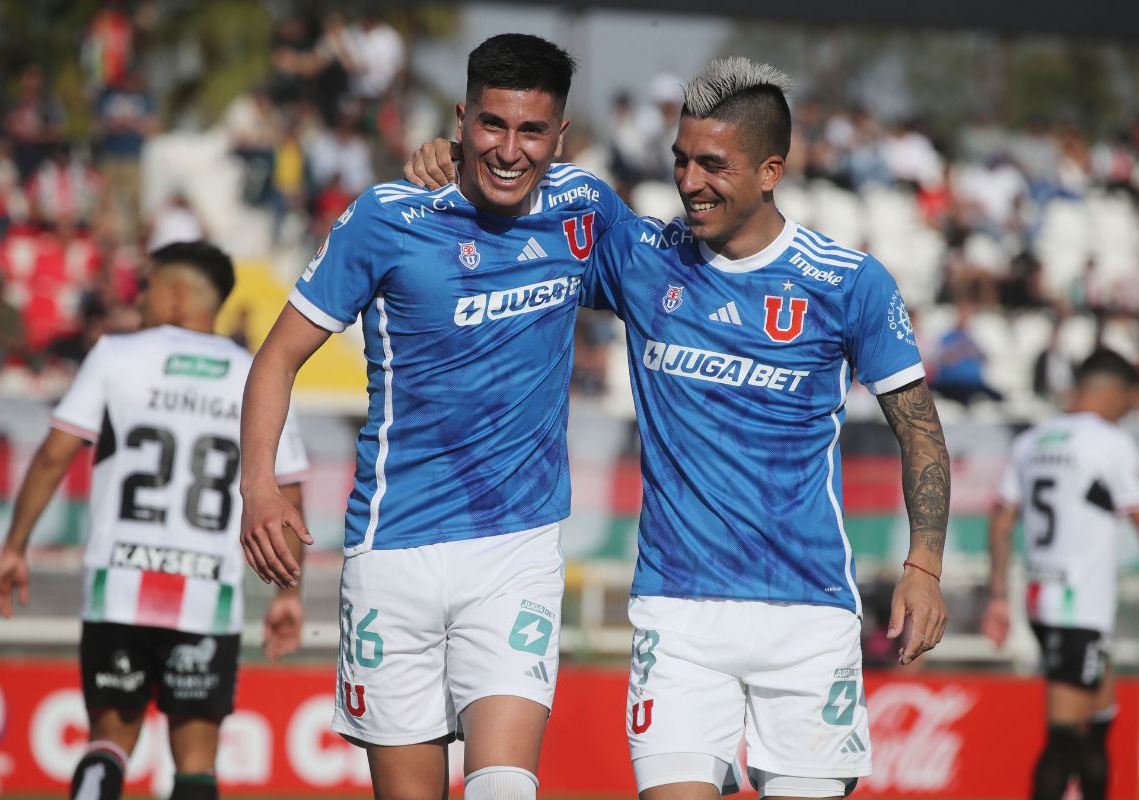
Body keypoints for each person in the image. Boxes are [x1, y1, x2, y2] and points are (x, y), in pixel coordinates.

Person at [407, 56, 950, 800]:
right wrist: (457, 158)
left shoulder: (849, 283)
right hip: (677, 614)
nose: (690, 182)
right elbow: (520, 204)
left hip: (809, 614)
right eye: (681, 160)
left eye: (713, 165)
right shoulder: (642, 258)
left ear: (771, 170)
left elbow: (920, 430)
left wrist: (924, 565)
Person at [239, 34, 633, 800]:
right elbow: (276, 358)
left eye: (531, 131)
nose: (509, 151)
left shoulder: (584, 210)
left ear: (559, 135)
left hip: (515, 551)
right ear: (461, 120)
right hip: (393, 553)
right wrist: (258, 486)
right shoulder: (387, 216)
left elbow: (677, 285)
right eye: (492, 125)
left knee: (504, 787)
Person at [0, 241, 310, 800]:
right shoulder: (255, 373)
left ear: (178, 294)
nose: (138, 299)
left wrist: (15, 546)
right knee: (196, 763)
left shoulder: (116, 355)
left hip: (118, 588)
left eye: (148, 287)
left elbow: (52, 458)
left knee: (108, 742)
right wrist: (288, 592)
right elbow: (288, 493)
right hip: (207, 594)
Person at [981, 348, 1139, 800]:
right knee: (1065, 734)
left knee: (1100, 716)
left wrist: (998, 596)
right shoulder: (1110, 443)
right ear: (1111, 392)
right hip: (1079, 605)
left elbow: (1001, 522)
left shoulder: (1032, 441)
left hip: (1040, 597)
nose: (1130, 409)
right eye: (1129, 400)